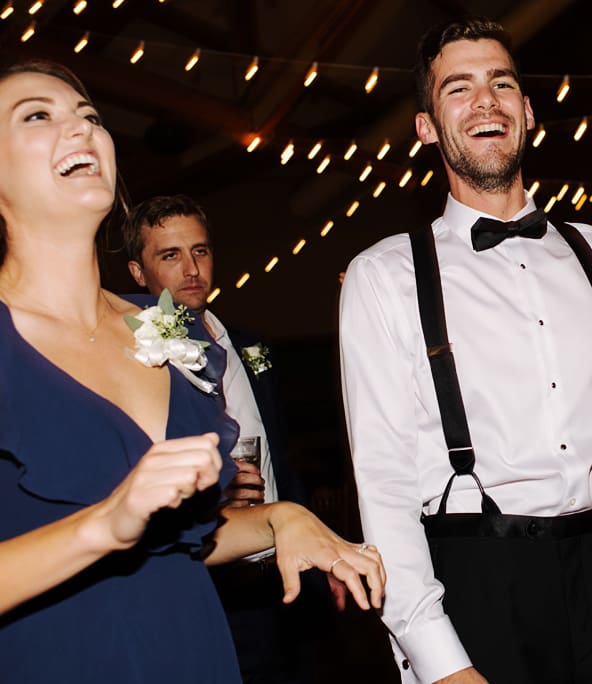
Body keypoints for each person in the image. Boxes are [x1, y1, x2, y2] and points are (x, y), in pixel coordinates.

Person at [338, 17, 592, 684]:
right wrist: (437, 659)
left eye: (501, 83)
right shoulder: (385, 276)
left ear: (527, 112)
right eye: (458, 88)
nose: (485, 100)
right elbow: (383, 483)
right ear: (426, 128)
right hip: (479, 578)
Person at [0, 59, 385, 683]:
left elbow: (184, 541)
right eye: (37, 115)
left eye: (89, 116)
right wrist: (105, 525)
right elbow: (123, 524)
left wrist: (277, 519)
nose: (82, 129)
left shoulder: (168, 328)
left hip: (196, 653)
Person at [124, 194, 321, 683]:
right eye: (170, 255)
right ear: (138, 272)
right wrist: (213, 494)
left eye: (200, 251)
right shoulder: (136, 363)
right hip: (206, 577)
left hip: (282, 572)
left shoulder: (250, 343)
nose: (191, 269)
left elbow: (281, 454)